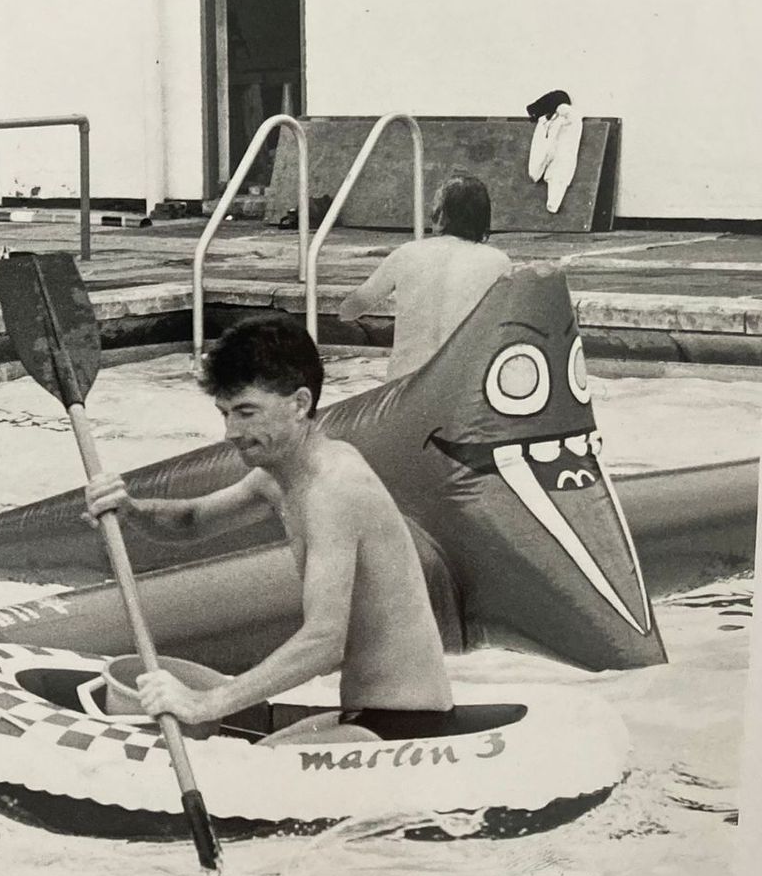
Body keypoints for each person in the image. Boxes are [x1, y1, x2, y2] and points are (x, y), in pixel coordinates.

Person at [85, 314, 453, 745]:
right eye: (224, 413)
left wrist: (207, 703)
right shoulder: (281, 474)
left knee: (229, 776)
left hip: (403, 728)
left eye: (246, 412)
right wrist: (130, 510)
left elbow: (323, 642)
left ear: (299, 404)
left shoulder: (334, 487)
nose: (230, 432)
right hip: (366, 713)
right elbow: (193, 521)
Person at [336, 175, 510, 379]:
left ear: (442, 215)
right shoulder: (498, 262)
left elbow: (351, 308)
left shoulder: (406, 254)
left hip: (406, 385)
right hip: (462, 385)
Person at [525, 89, 583, 215]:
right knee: (556, 171)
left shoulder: (564, 117)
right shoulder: (559, 117)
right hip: (558, 108)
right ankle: (553, 202)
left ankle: (553, 202)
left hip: (558, 111)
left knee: (557, 170)